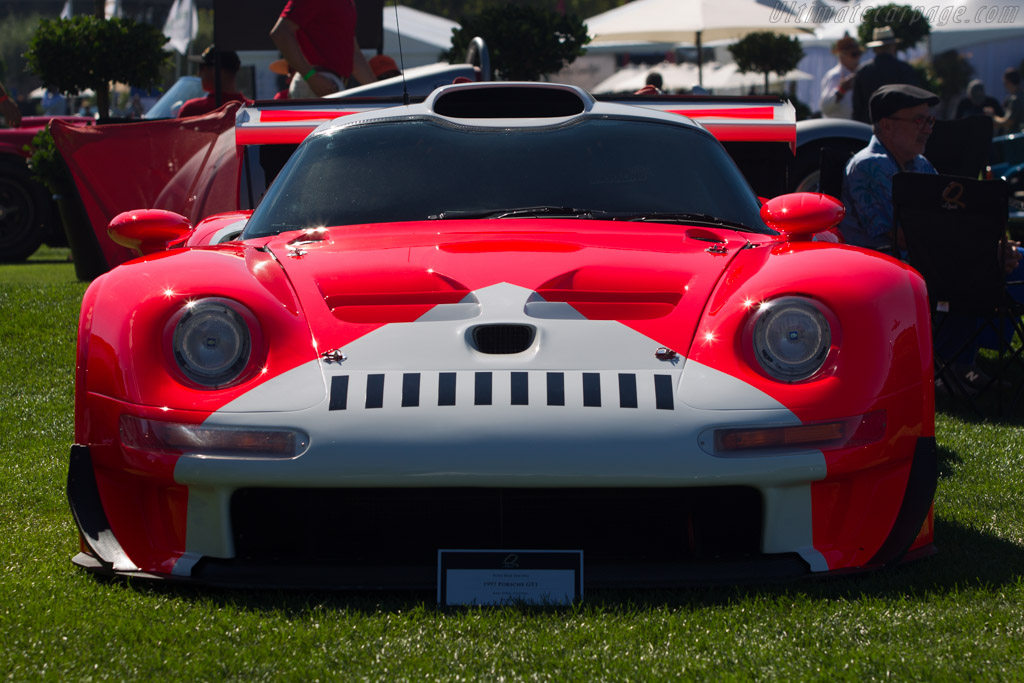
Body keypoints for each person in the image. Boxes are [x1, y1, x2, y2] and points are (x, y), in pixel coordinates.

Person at [839, 84, 940, 251]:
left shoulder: (920, 163)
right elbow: (903, 237)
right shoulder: (868, 166)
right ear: (887, 126)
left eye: (930, 121)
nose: (928, 130)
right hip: (877, 270)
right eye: (920, 121)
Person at [270, 0, 375, 98]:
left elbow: (354, 56)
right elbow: (280, 33)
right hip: (312, 85)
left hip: (329, 84)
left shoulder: (348, 3)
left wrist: (382, 94)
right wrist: (311, 76)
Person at [851, 26, 922, 125]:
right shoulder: (904, 69)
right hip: (900, 127)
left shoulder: (862, 71)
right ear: (893, 46)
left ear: (875, 49)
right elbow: (915, 100)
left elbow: (857, 107)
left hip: (870, 128)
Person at [178, 45, 250, 118]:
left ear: (215, 71)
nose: (199, 74)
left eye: (201, 68)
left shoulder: (192, 110)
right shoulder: (253, 109)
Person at [818, 33, 862, 119]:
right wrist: (841, 90)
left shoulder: (860, 74)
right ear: (842, 56)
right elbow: (825, 107)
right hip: (838, 129)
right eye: (854, 54)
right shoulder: (834, 76)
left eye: (859, 53)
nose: (858, 58)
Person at [993, 67, 1023, 134]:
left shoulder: (1016, 99)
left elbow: (1008, 122)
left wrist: (992, 117)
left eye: (1004, 83)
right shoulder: (1018, 96)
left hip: (1015, 139)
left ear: (1008, 82)